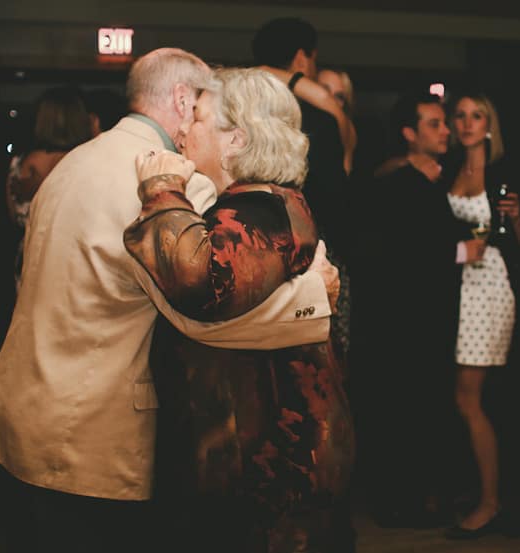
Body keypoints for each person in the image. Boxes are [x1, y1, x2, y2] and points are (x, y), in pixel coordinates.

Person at [0, 48, 339, 553]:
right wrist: (315, 295)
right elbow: (203, 310)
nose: (192, 128)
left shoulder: (77, 158)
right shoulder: (165, 179)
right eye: (200, 109)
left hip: (28, 407)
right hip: (95, 429)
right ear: (182, 99)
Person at [123, 67, 355, 553]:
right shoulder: (262, 203)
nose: (183, 129)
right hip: (268, 449)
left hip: (271, 458)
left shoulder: (256, 210)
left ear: (236, 140)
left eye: (199, 117)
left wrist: (163, 188)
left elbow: (201, 287)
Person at [352, 91, 477, 529]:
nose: (446, 131)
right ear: (409, 134)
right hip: (405, 315)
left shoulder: (440, 176)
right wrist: (464, 250)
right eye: (435, 124)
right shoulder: (395, 180)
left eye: (445, 123)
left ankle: (426, 493)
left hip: (438, 310)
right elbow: (404, 251)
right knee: (403, 403)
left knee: (428, 403)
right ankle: (400, 500)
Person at [443, 91, 520, 539]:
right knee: (455, 396)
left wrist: (516, 219)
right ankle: (472, 487)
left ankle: (491, 502)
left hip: (489, 284)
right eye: (459, 115)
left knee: (469, 397)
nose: (467, 123)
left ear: (490, 124)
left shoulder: (505, 173)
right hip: (451, 286)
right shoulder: (445, 169)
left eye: (476, 116)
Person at [253, 17, 353, 365]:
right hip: (318, 252)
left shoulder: (247, 112)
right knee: (322, 363)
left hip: (260, 253)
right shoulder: (320, 118)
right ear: (301, 58)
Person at [5, 86, 93, 293]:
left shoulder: (21, 164)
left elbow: (14, 217)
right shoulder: (88, 161)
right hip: (77, 264)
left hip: (32, 261)